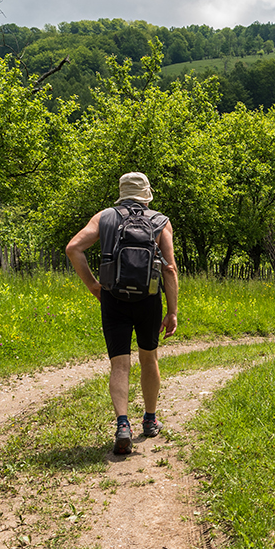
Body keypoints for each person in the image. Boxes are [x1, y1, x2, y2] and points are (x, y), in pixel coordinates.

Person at [65, 172, 179, 454]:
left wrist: (94, 286)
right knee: (149, 357)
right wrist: (173, 311)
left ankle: (123, 425)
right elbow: (169, 268)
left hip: (113, 299)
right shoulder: (160, 221)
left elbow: (73, 248)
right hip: (149, 299)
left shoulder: (104, 217)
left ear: (121, 192)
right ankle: (150, 421)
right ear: (147, 193)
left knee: (119, 364)